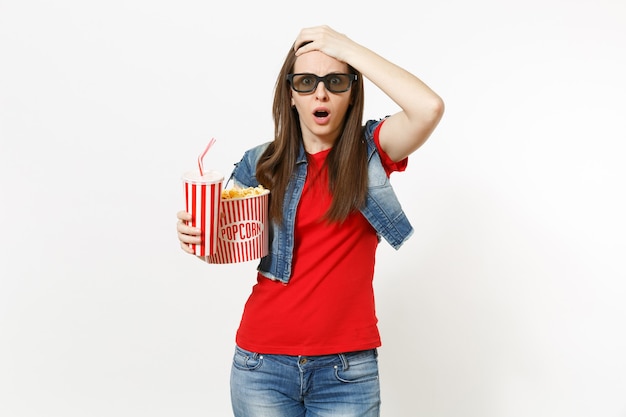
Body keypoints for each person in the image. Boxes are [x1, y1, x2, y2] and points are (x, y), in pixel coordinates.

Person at [176, 25, 444, 417]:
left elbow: (429, 107)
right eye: (306, 82)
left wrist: (346, 48)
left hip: (346, 373)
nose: (321, 93)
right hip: (262, 366)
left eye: (336, 81)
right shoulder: (260, 164)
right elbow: (225, 246)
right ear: (291, 94)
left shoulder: (371, 153)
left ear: (352, 93)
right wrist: (196, 238)